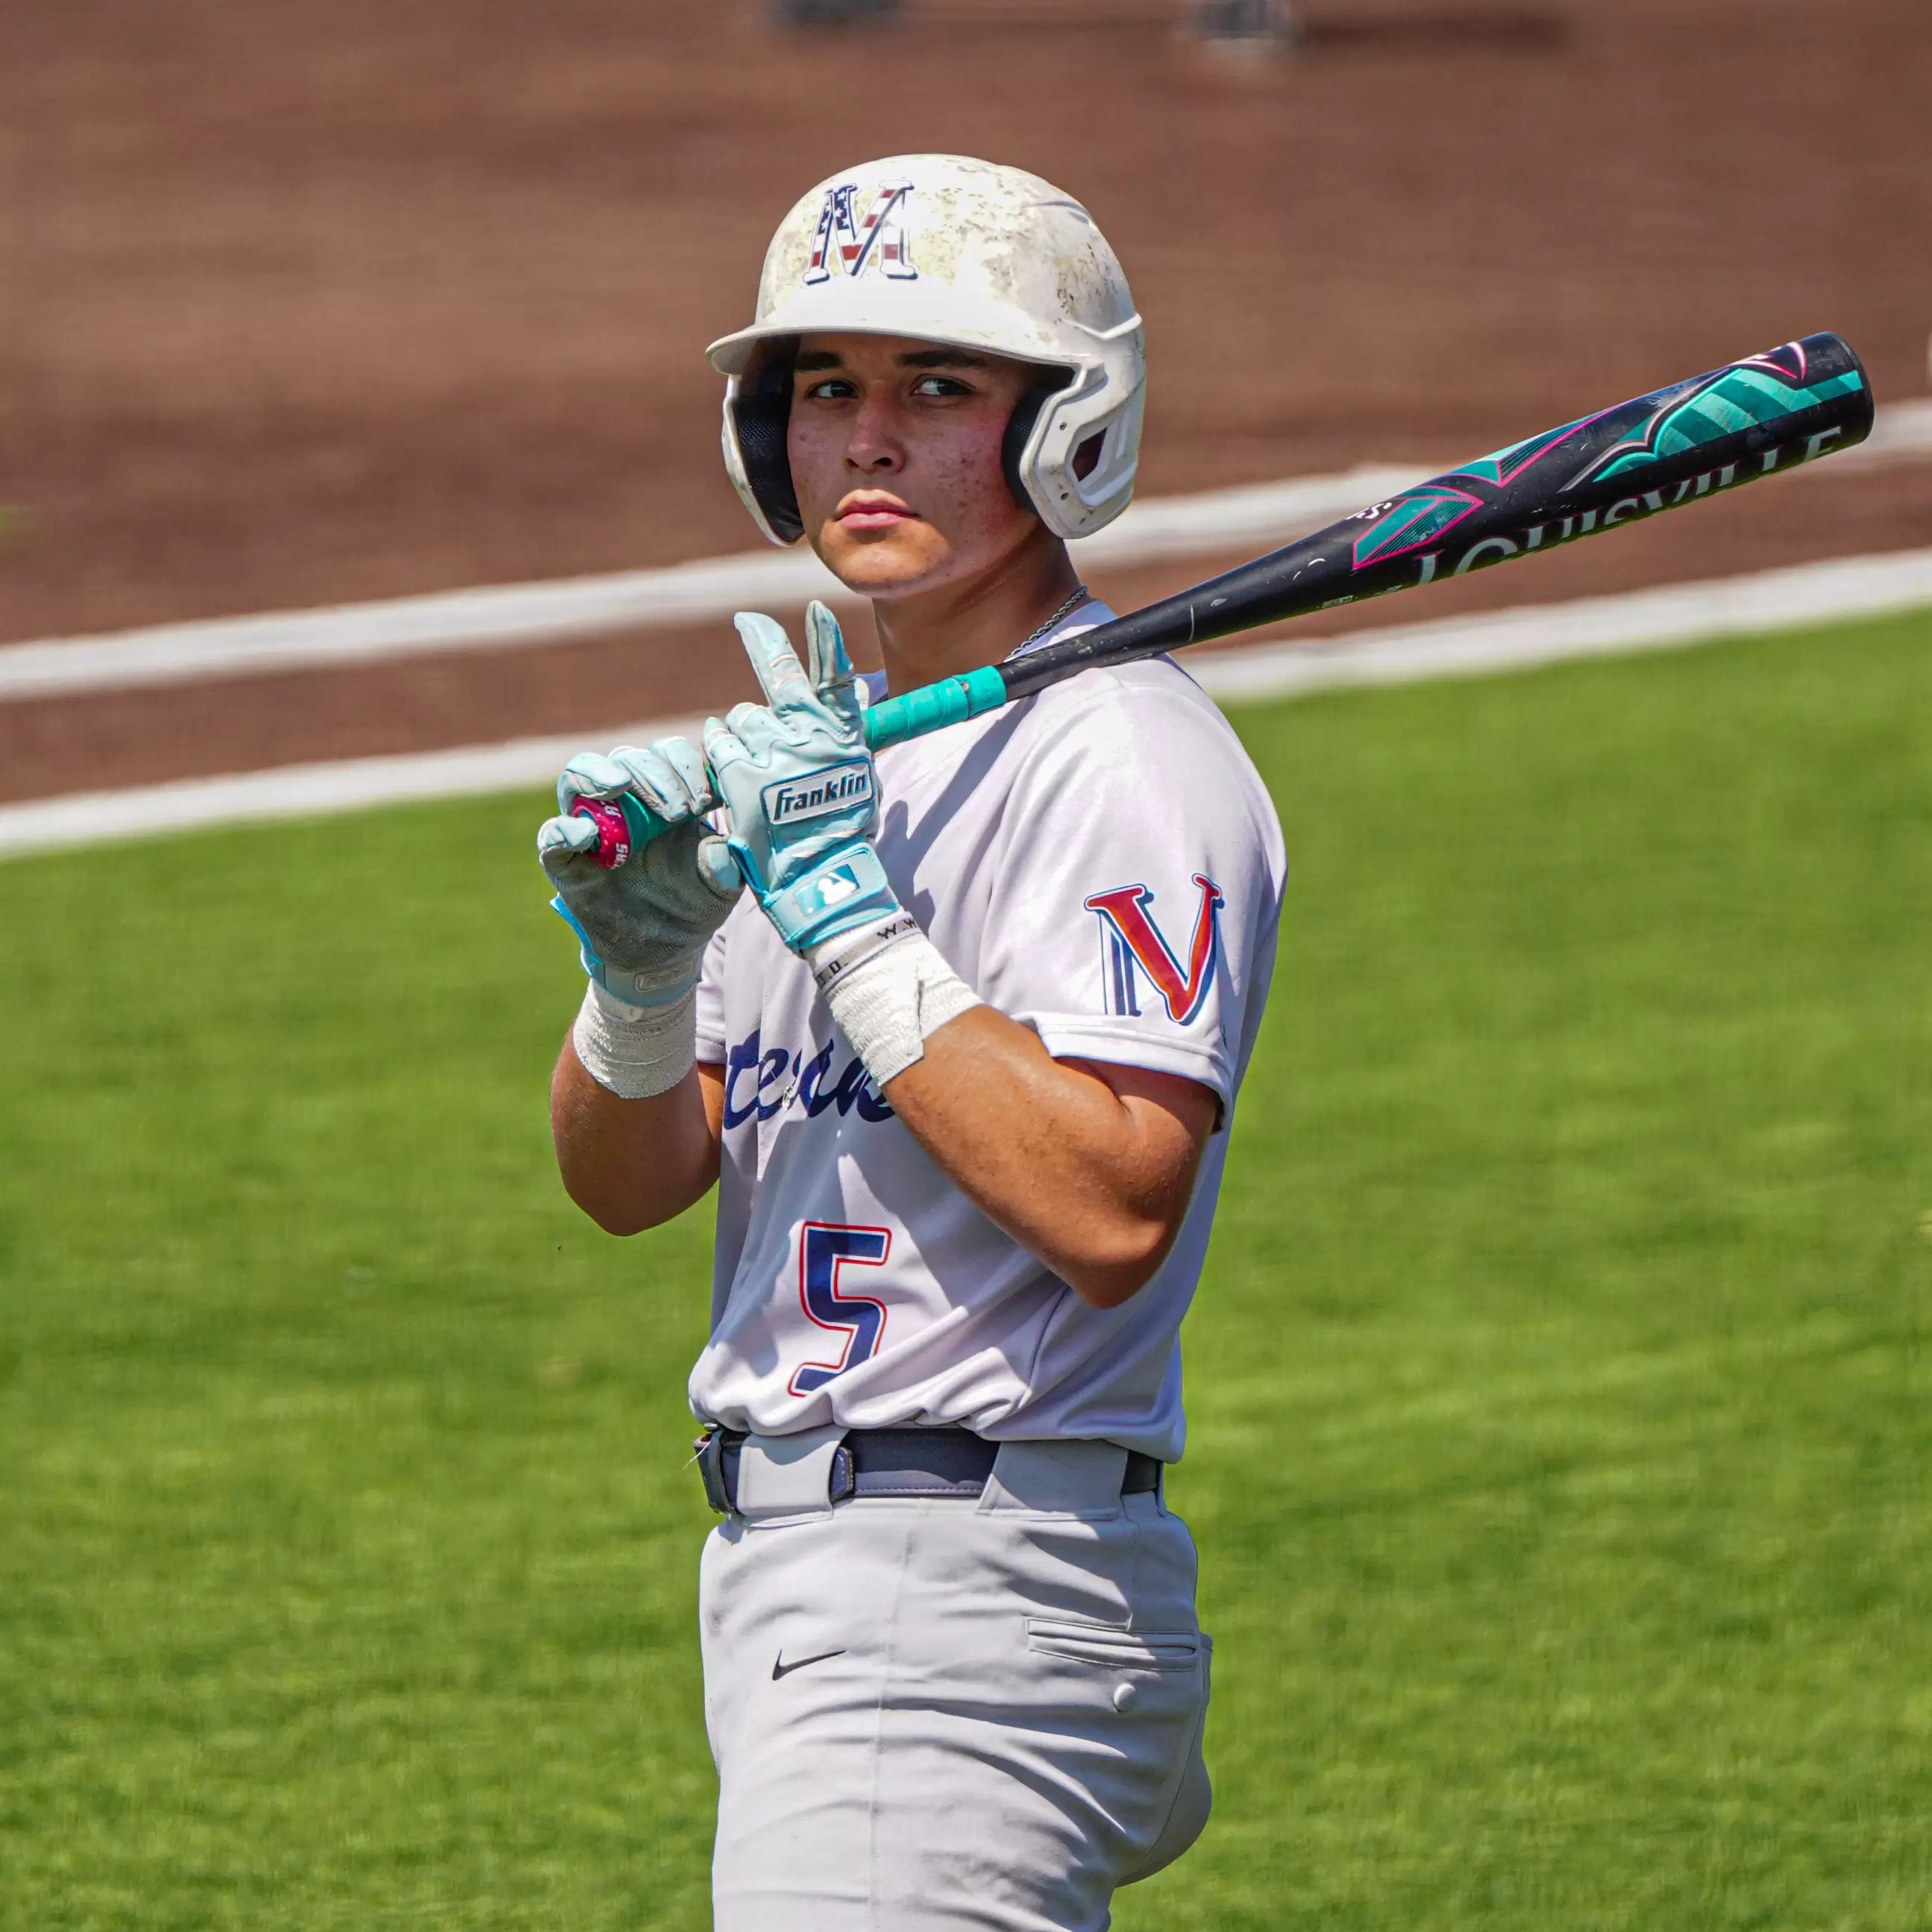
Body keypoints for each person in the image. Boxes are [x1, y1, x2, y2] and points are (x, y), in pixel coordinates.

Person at [538, 154, 1286, 1931]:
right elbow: (628, 1182)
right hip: (813, 1586)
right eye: (824, 389)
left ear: (1062, 425)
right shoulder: (833, 745)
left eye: (935, 387)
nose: (865, 441)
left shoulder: (1122, 759)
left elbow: (1112, 1206)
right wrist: (637, 971)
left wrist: (846, 918)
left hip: (956, 1598)